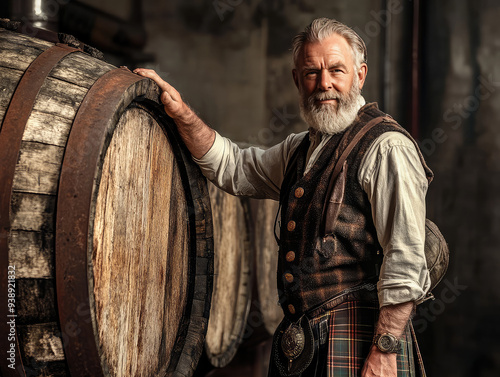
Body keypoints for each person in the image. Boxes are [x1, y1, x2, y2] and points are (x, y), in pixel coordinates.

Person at [135, 17, 432, 377]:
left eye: (336, 70)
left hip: (360, 343)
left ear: (360, 75)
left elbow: (406, 259)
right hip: (303, 344)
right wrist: (182, 115)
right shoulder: (300, 151)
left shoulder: (386, 147)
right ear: (297, 80)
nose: (324, 84)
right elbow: (233, 167)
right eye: (311, 72)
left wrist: (385, 351)